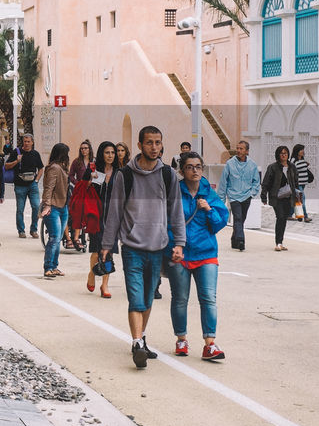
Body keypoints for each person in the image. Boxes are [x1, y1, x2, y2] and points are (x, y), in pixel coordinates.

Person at [100, 125, 186, 369]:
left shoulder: (168, 175)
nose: (154, 147)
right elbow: (114, 212)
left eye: (158, 142)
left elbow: (176, 212)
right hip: (131, 246)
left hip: (158, 246)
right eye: (149, 143)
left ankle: (141, 338)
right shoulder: (124, 175)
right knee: (136, 297)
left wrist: (179, 242)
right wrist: (107, 244)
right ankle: (137, 342)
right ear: (139, 145)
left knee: (148, 298)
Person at [166, 151, 230, 361]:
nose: (195, 171)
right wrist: (175, 245)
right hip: (181, 255)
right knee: (180, 299)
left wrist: (209, 209)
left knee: (208, 299)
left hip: (206, 253)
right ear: (182, 170)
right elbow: (167, 222)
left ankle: (210, 344)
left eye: (198, 167)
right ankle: (181, 339)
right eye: (190, 167)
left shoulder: (208, 193)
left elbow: (221, 222)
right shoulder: (175, 191)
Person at [85, 141, 118, 297]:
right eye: (107, 152)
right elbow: (82, 188)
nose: (110, 155)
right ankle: (92, 273)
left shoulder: (119, 173)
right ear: (101, 154)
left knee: (109, 251)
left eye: (112, 153)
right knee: (96, 251)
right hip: (96, 216)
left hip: (112, 217)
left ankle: (105, 285)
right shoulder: (93, 170)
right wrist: (90, 180)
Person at [218, 140, 261, 251]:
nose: (238, 150)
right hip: (233, 196)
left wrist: (252, 193)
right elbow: (223, 181)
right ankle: (241, 240)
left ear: (247, 151)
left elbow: (256, 181)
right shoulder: (230, 164)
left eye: (241, 149)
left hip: (247, 196)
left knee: (241, 219)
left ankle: (234, 240)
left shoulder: (252, 165)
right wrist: (221, 199)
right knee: (237, 217)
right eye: (237, 148)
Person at [40, 143, 71, 279]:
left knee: (58, 238)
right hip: (53, 207)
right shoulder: (54, 168)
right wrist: (47, 205)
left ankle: (54, 266)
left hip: (63, 206)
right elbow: (48, 188)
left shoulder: (62, 168)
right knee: (54, 237)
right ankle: (48, 267)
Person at [6, 134, 44, 239]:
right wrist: (16, 161)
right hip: (19, 185)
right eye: (25, 141)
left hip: (32, 184)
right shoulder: (16, 152)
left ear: (32, 142)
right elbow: (6, 166)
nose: (26, 143)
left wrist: (37, 180)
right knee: (20, 209)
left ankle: (33, 230)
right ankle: (21, 231)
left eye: (28, 141)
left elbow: (41, 169)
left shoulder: (35, 154)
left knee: (36, 207)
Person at [260, 146, 298, 251]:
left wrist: (297, 195)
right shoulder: (273, 167)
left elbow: (295, 182)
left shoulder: (292, 167)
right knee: (280, 217)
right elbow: (266, 182)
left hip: (288, 197)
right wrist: (264, 196)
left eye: (285, 153)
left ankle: (280, 242)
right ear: (278, 155)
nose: (283, 155)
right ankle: (278, 242)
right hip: (276, 197)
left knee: (284, 219)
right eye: (281, 153)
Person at [67, 139, 94, 250]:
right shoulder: (76, 162)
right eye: (82, 148)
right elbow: (71, 175)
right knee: (79, 211)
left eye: (86, 148)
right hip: (79, 190)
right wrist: (77, 183)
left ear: (90, 149)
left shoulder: (94, 161)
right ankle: (76, 237)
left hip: (92, 190)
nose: (84, 150)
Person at [291, 144, 314, 222]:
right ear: (297, 151)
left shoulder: (302, 159)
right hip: (298, 184)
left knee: (297, 200)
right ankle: (305, 217)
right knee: (302, 199)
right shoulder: (294, 160)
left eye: (303, 150)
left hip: (303, 183)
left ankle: (292, 215)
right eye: (301, 150)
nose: (303, 151)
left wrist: (305, 164)